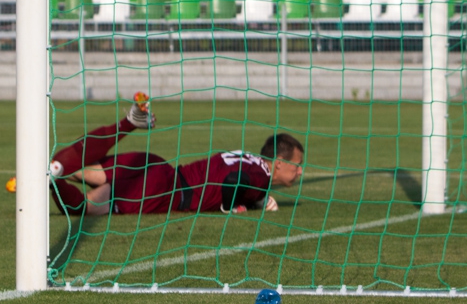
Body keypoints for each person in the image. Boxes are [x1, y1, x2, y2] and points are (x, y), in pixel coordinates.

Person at [49, 92, 304, 216]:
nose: (300, 170)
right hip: (164, 193)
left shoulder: (250, 158)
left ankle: (126, 124)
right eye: (297, 164)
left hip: (159, 168)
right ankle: (53, 181)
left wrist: (256, 201)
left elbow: (234, 177)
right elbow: (234, 181)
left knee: (77, 167)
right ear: (279, 163)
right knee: (84, 207)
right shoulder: (260, 175)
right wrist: (229, 206)